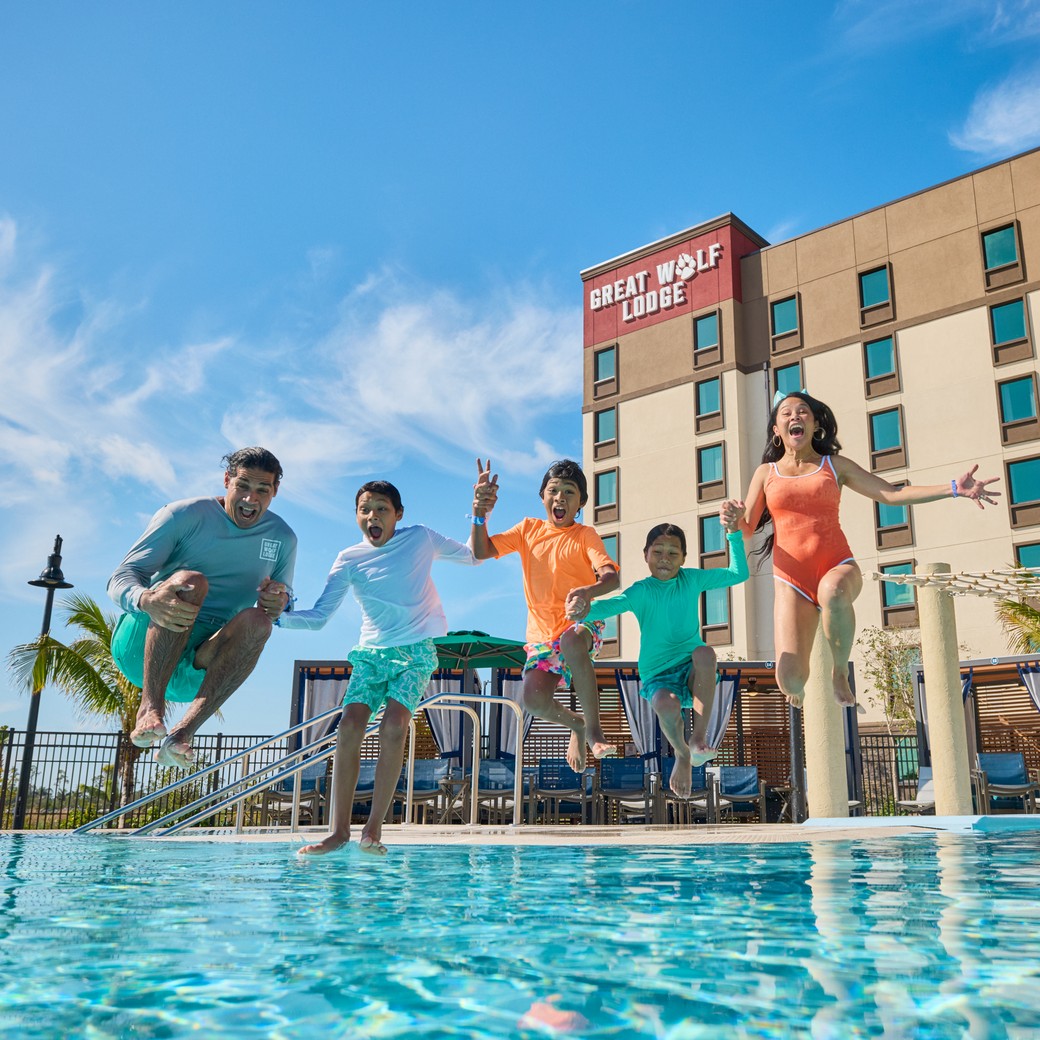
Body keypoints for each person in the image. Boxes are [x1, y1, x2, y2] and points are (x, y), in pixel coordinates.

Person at [721, 391, 1000, 710]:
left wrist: (952, 488)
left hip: (836, 565)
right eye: (786, 413)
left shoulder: (834, 465)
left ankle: (839, 670)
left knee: (834, 591)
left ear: (814, 425)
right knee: (792, 680)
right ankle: (798, 681)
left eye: (803, 412)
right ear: (776, 429)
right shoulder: (765, 474)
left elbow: (892, 494)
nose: (795, 417)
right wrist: (732, 521)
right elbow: (746, 528)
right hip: (790, 580)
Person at [279, 480, 481, 856]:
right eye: (365, 509)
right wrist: (281, 617)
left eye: (382, 509)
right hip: (371, 654)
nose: (373, 516)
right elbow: (321, 616)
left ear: (398, 515)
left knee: (393, 726)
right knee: (350, 725)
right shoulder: (349, 559)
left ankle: (373, 829)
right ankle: (338, 832)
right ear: (357, 515)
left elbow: (473, 555)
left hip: (415, 651)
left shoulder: (419, 538)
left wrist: (479, 513)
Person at [108, 447, 297, 769]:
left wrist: (278, 601)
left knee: (258, 621)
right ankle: (150, 708)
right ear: (227, 481)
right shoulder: (183, 515)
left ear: (275, 491)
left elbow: (283, 602)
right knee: (192, 581)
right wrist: (146, 600)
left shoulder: (282, 537)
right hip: (143, 649)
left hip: (202, 662)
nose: (251, 499)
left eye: (262, 490)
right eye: (243, 486)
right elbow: (121, 577)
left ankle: (182, 734)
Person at [569, 519, 748, 798]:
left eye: (673, 553)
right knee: (666, 704)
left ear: (684, 558)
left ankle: (698, 739)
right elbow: (609, 606)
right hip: (657, 675)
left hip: (691, 668)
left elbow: (738, 573)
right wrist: (581, 608)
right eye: (658, 552)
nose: (665, 559)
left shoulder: (692, 579)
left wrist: (733, 532)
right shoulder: (642, 591)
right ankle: (682, 753)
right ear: (646, 555)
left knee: (705, 652)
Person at [470, 458, 619, 773]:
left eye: (569, 492)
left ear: (581, 502)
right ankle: (576, 725)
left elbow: (611, 576)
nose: (560, 497)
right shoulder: (528, 530)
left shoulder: (584, 535)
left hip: (581, 623)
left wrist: (587, 593)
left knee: (571, 642)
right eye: (554, 490)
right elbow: (481, 551)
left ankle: (593, 730)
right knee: (534, 701)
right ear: (542, 496)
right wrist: (480, 514)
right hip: (541, 635)